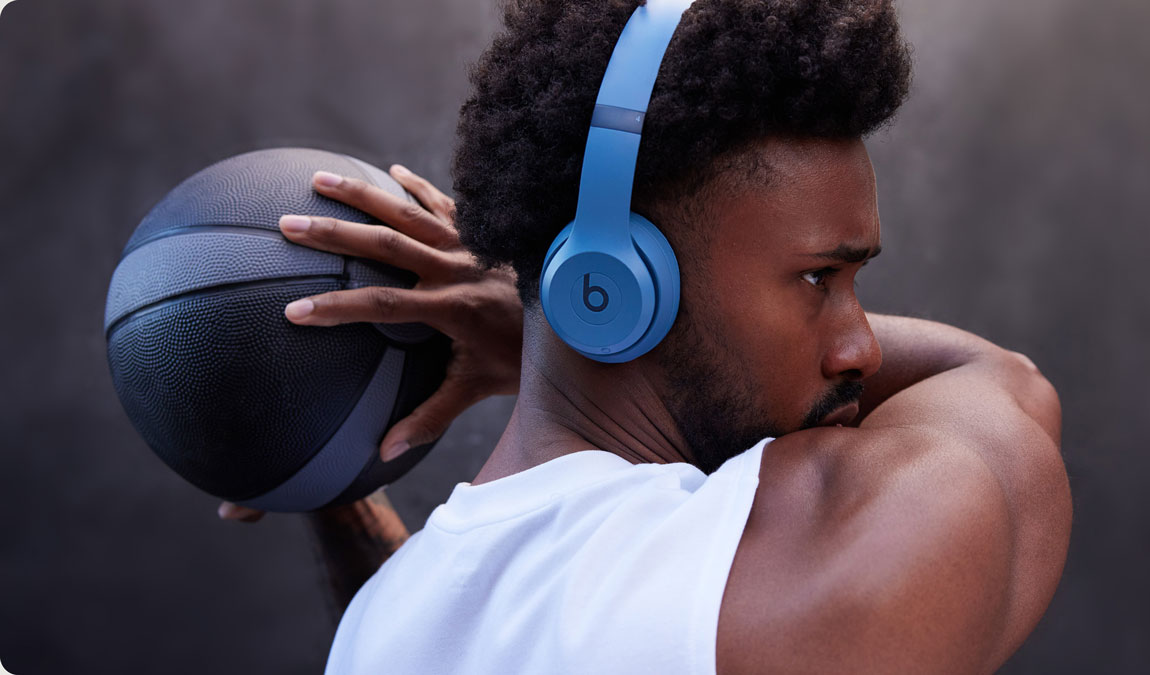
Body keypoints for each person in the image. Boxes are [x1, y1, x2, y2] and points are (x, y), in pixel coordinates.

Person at [221, 0, 1072, 672]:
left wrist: (553, 321)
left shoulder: (380, 630)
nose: (861, 349)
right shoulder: (818, 567)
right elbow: (1007, 385)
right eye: (819, 279)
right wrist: (532, 322)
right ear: (619, 291)